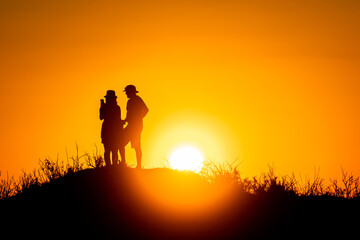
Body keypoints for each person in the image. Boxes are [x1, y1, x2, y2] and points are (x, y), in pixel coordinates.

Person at [123, 85, 149, 169]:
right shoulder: (129, 101)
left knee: (136, 145)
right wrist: (124, 121)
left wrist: (139, 117)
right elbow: (129, 115)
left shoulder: (138, 99)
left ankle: (138, 165)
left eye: (127, 92)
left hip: (136, 126)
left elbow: (146, 110)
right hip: (130, 125)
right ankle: (123, 164)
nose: (126, 94)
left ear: (131, 92)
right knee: (122, 142)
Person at [100, 90, 126, 166]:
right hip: (111, 131)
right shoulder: (116, 107)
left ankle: (111, 165)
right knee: (111, 149)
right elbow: (102, 117)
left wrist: (102, 107)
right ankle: (111, 165)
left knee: (111, 149)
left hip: (110, 131)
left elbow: (101, 117)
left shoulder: (115, 108)